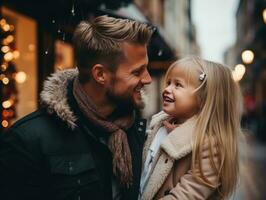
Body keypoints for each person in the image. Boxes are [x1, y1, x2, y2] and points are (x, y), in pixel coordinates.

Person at [0, 15, 154, 200]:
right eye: (137, 71)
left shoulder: (140, 131)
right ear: (100, 74)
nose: (147, 79)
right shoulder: (26, 141)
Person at [139, 56, 243, 200]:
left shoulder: (209, 145)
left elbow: (187, 195)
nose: (167, 89)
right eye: (168, 82)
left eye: (178, 85)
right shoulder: (158, 125)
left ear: (202, 99)